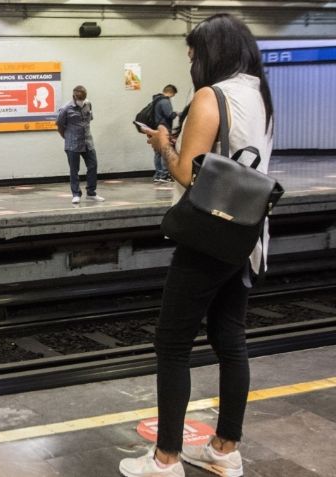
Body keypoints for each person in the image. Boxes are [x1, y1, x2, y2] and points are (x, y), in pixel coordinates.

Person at [119, 13, 274, 477]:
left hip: (210, 236)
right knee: (231, 338)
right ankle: (225, 449)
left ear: (211, 54)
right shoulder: (259, 94)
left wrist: (164, 145)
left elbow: (190, 174)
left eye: (193, 56)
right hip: (248, 238)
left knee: (171, 343)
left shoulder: (213, 95)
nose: (192, 66)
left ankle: (165, 459)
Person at [55, 85, 104, 204]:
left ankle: (91, 193)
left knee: (93, 166)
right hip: (72, 144)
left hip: (88, 142)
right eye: (79, 98)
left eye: (83, 98)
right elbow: (59, 125)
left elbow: (89, 120)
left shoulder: (88, 104)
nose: (81, 101)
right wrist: (67, 138)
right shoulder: (66, 109)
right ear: (74, 97)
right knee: (74, 170)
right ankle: (76, 194)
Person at [151, 85, 178, 183]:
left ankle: (158, 174)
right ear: (171, 92)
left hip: (156, 128)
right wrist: (177, 113)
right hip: (164, 128)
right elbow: (169, 115)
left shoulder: (156, 100)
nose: (173, 96)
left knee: (158, 153)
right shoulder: (165, 101)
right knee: (164, 152)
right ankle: (164, 175)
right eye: (173, 94)